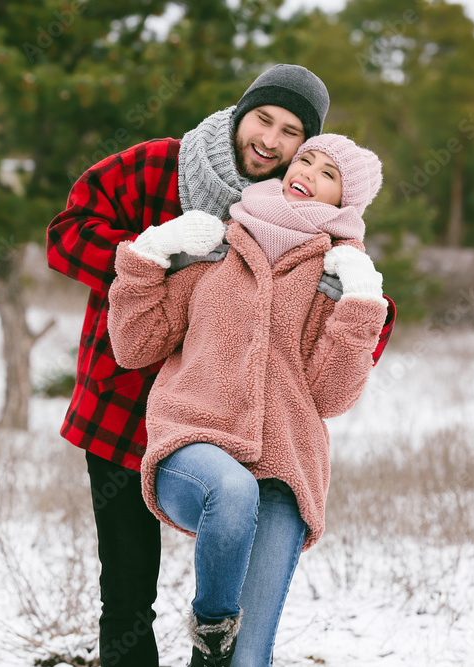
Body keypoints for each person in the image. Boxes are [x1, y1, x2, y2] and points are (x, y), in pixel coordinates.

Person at [46, 64, 352, 667]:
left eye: (291, 132)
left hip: (218, 415)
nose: (269, 140)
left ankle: (212, 648)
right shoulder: (160, 164)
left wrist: (362, 308)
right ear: (242, 112)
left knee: (231, 557)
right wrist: (154, 253)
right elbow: (65, 234)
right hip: (122, 401)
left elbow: (351, 282)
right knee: (128, 591)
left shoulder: (295, 207)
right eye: (262, 119)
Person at [107, 133, 392, 666]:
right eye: (305, 158)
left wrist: (359, 303)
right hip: (190, 446)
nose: (307, 170)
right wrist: (148, 254)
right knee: (232, 491)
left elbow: (330, 396)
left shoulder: (335, 276)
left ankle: (225, 652)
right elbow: (134, 344)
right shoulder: (217, 245)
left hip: (285, 469)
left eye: (329, 172)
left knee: (251, 659)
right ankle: (212, 628)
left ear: (345, 201)